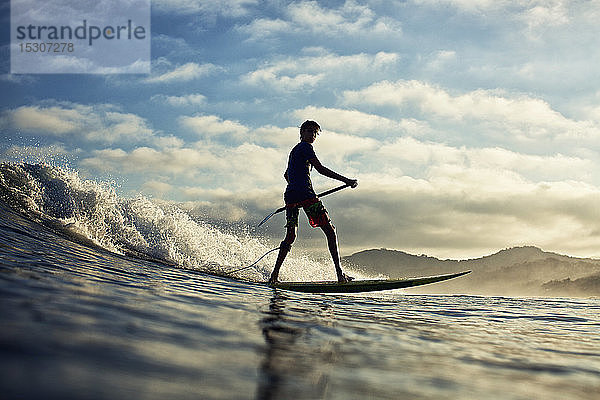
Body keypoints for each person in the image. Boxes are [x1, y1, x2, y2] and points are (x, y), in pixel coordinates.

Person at [268, 120, 358, 284]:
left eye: (315, 133)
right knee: (330, 231)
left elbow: (286, 175)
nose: (312, 135)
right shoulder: (305, 148)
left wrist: (295, 191)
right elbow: (320, 169)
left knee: (290, 236)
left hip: (291, 196)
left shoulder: (294, 151)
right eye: (309, 131)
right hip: (306, 194)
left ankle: (274, 276)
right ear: (301, 133)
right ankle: (340, 275)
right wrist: (346, 180)